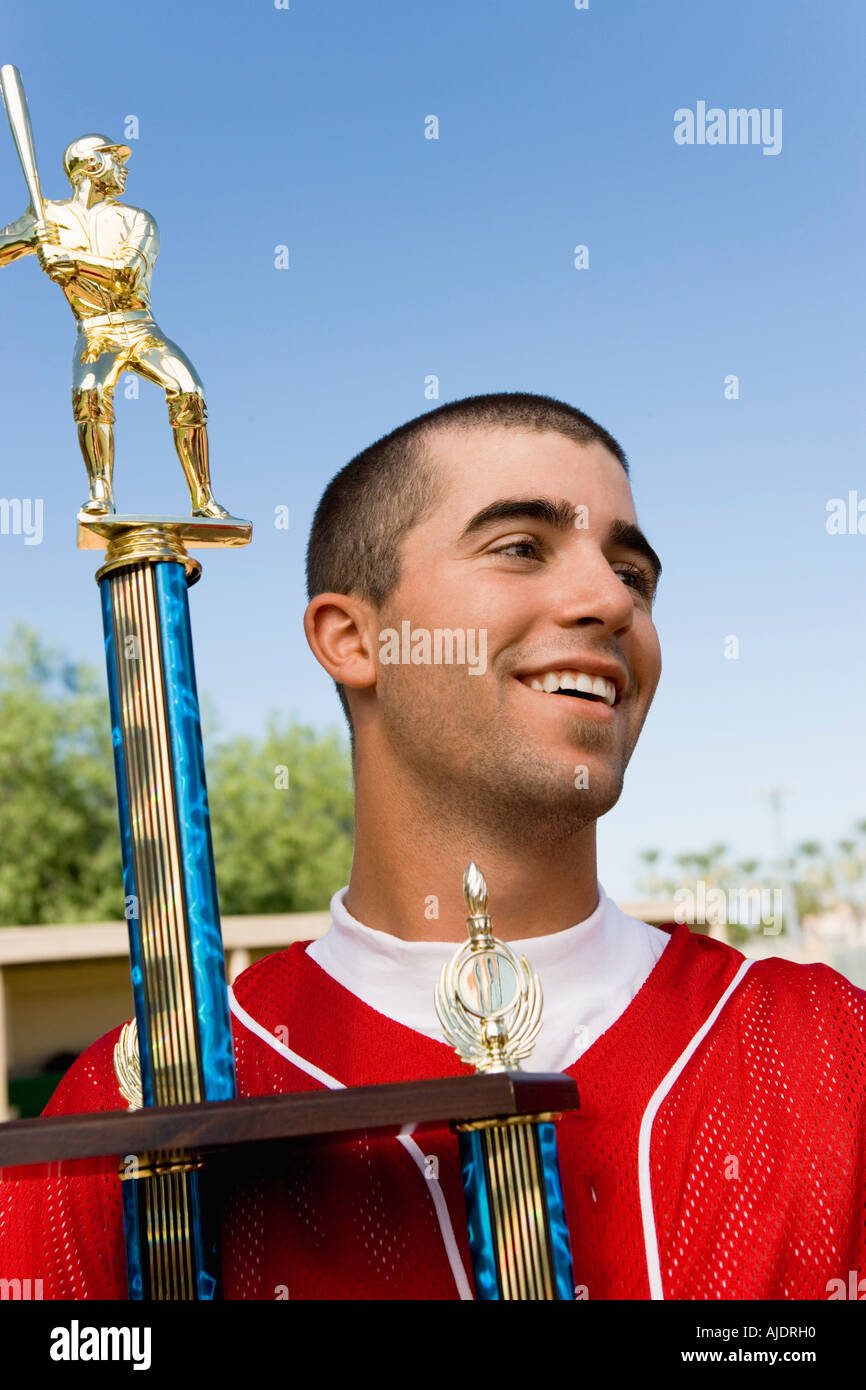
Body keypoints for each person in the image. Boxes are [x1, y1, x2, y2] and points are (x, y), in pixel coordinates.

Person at [1, 392, 863, 1300]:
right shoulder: (132, 1101)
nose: (612, 600)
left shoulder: (830, 1051)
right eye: (521, 546)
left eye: (633, 575)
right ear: (353, 639)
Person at [0, 133, 229, 519]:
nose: (125, 168)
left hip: (140, 327)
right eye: (115, 160)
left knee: (188, 389)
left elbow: (127, 273)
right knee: (88, 392)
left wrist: (70, 259)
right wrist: (30, 237)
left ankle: (203, 498)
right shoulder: (45, 216)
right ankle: (100, 492)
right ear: (91, 166)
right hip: (95, 332)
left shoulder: (137, 219)